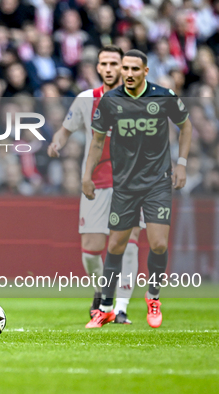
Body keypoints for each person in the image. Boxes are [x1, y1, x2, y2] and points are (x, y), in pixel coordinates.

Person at [83, 50, 192, 329]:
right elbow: (96, 142)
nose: (129, 73)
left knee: (158, 244)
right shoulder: (110, 101)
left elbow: (186, 126)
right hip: (124, 185)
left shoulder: (163, 96)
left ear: (145, 71)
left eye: (135, 69)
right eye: (126, 69)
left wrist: (181, 164)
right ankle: (106, 307)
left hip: (157, 182)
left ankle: (152, 296)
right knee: (116, 246)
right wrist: (87, 175)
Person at [48, 45, 143, 324]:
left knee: (130, 244)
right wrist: (57, 143)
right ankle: (103, 293)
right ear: (98, 68)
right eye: (105, 63)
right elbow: (66, 129)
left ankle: (120, 307)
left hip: (131, 183)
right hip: (96, 182)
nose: (111, 68)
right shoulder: (86, 99)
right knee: (90, 249)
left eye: (116, 63)